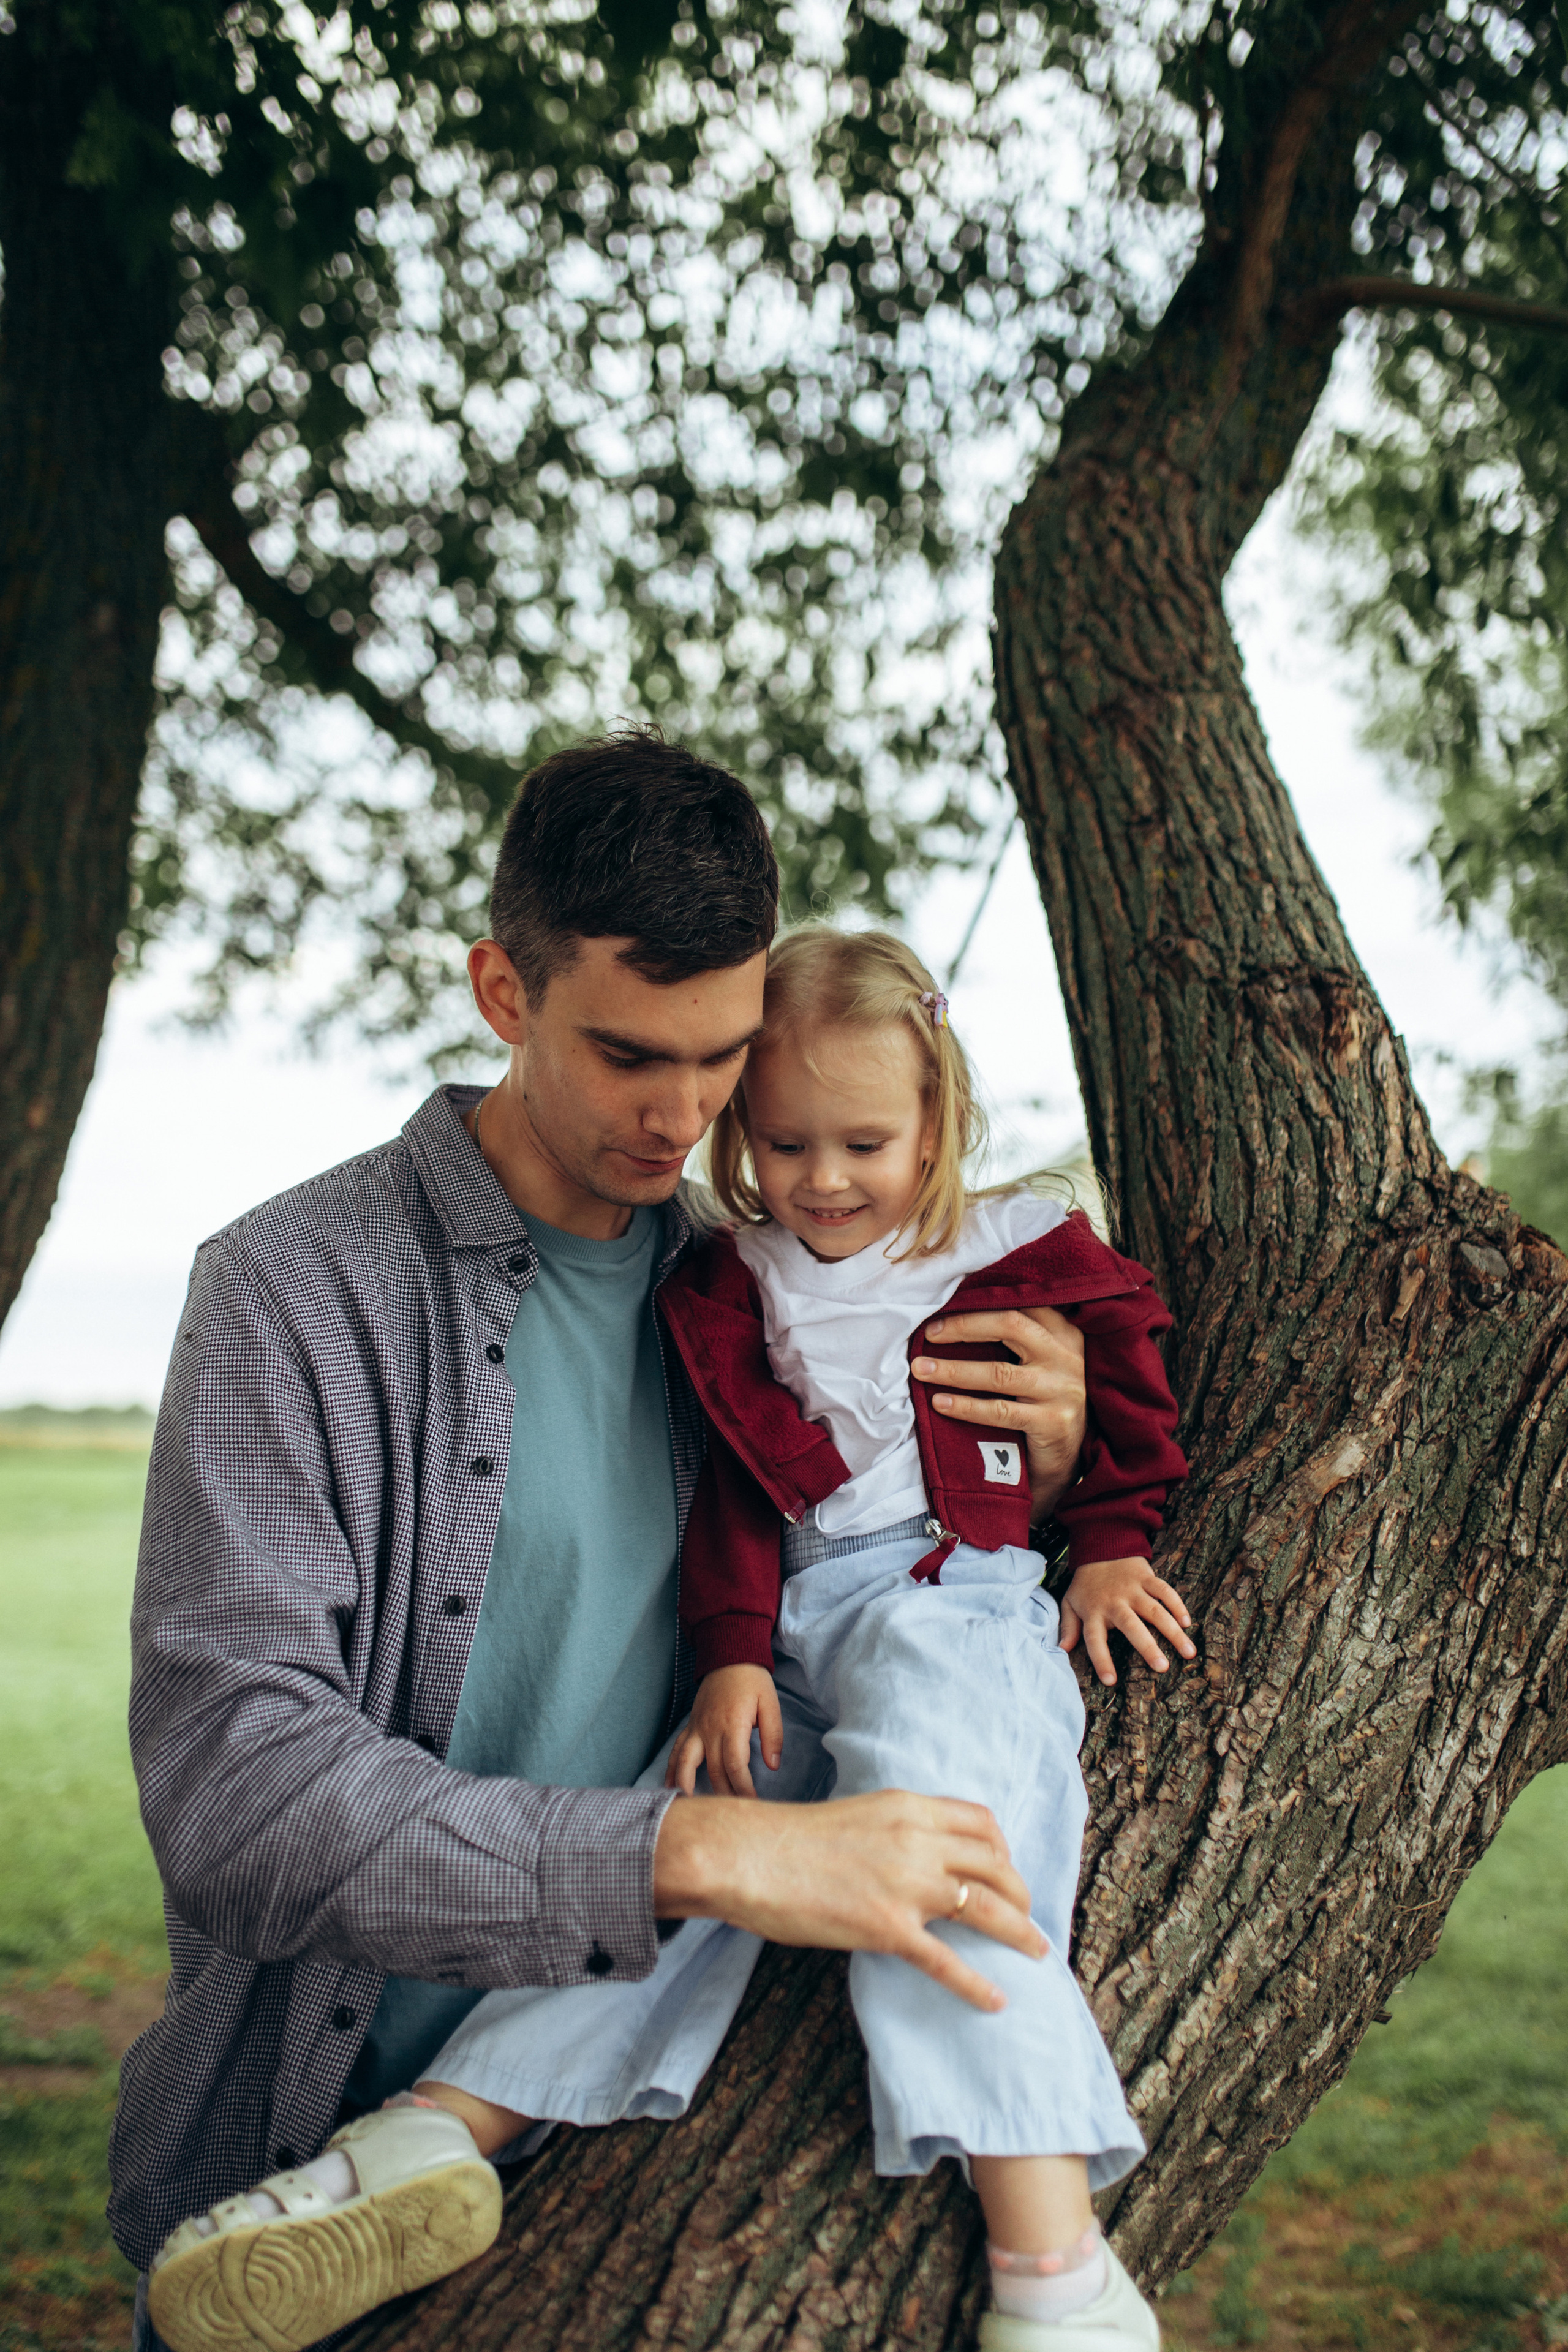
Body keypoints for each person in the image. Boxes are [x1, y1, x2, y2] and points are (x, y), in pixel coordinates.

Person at [125, 739, 1092, 2352]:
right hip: (328, 2140)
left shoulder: (777, 1299)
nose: (686, 1115)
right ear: (505, 991)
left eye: (723, 1060)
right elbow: (237, 1781)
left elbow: (906, 1609)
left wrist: (1033, 1465)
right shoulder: (291, 1291)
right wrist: (699, 1853)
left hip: (647, 2162)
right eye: (631, 1053)